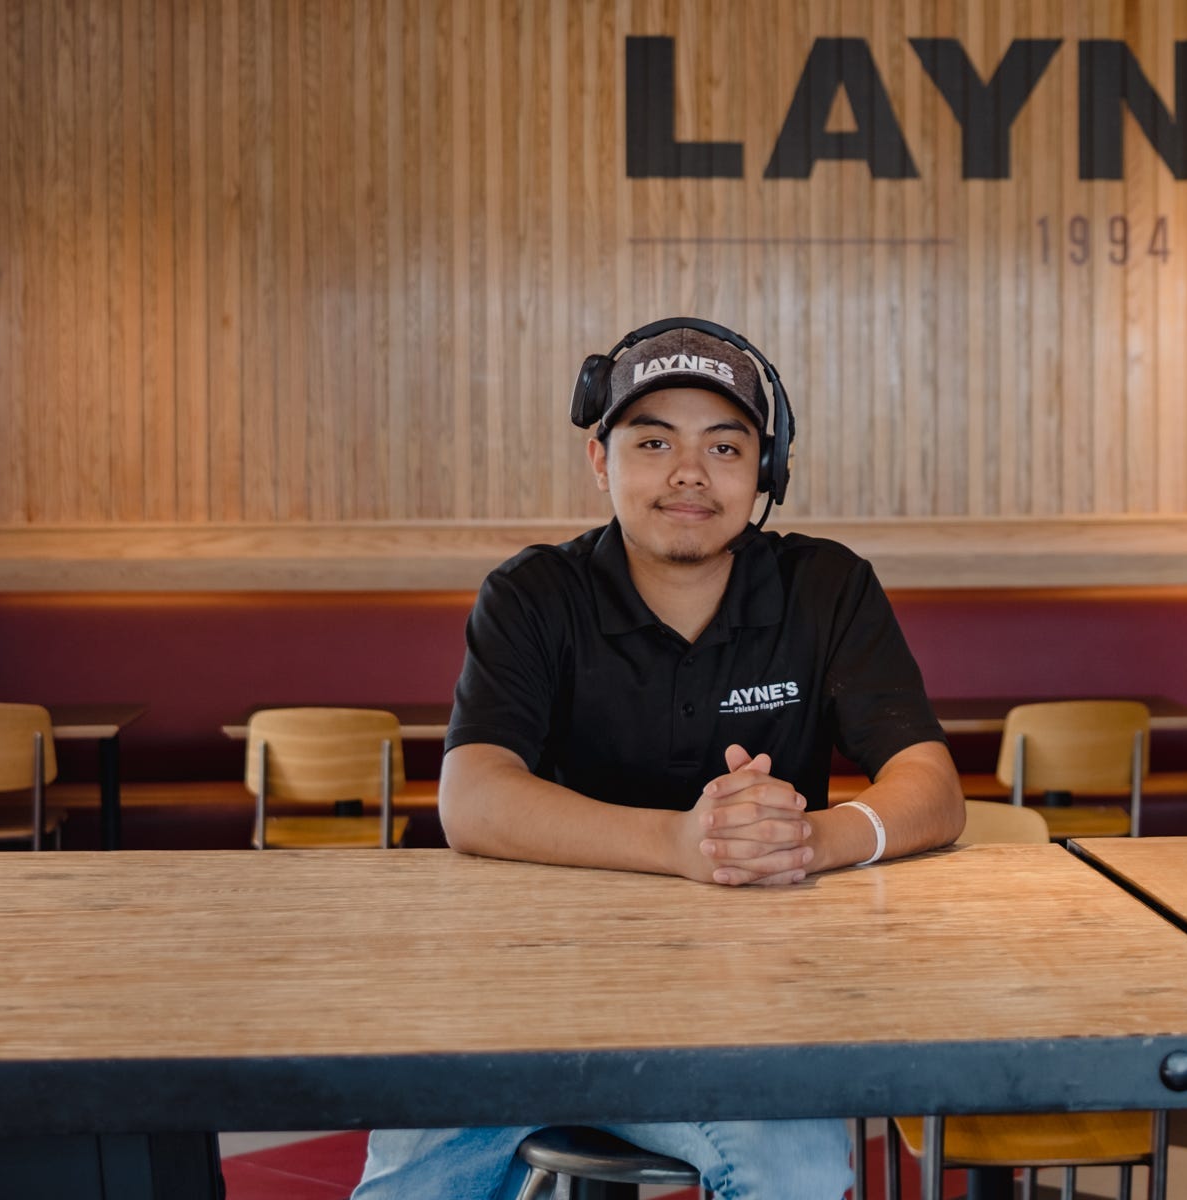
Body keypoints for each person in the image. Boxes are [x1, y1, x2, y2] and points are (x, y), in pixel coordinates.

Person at [352, 317, 965, 1200]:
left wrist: (812, 841)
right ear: (601, 462)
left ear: (766, 470)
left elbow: (931, 787)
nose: (689, 472)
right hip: (527, 997)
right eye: (652, 441)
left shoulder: (827, 587)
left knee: (794, 1172)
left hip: (756, 1012)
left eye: (724, 444)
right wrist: (683, 844)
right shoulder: (531, 596)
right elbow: (474, 799)